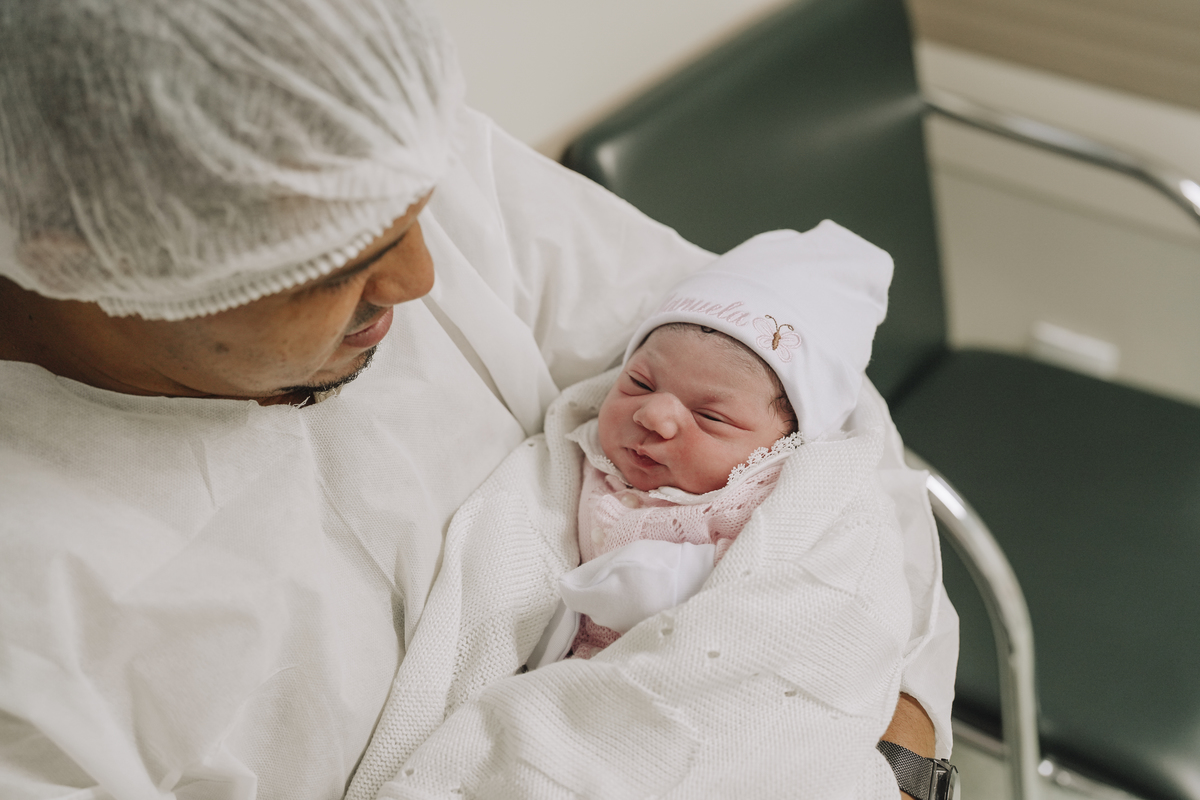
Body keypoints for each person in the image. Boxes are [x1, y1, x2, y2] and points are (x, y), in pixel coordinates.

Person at [0, 1, 956, 798]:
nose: (420, 277)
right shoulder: (37, 649)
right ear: (68, 250)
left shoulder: (349, 143)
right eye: (333, 269)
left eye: (419, 215)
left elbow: (814, 406)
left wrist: (892, 751)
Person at [531, 224, 894, 662]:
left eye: (710, 417)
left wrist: (671, 582)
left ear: (783, 446)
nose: (652, 416)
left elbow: (781, 593)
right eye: (640, 383)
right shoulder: (577, 451)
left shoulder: (767, 502)